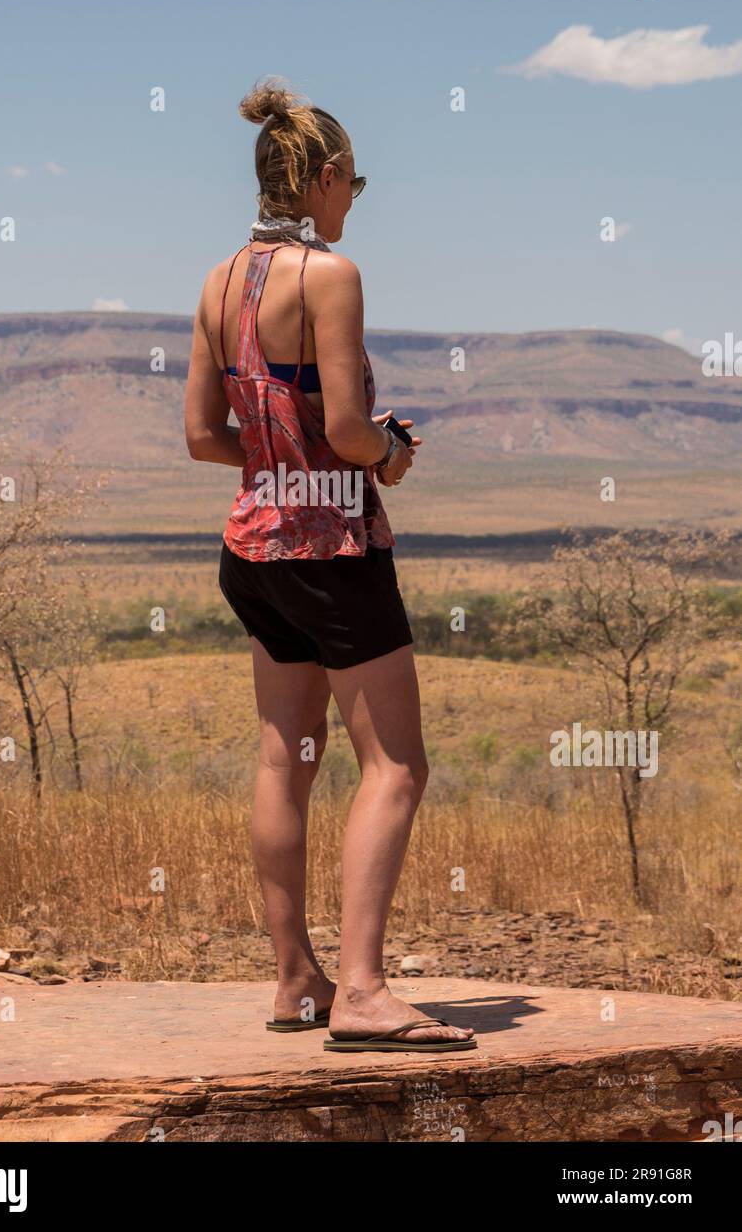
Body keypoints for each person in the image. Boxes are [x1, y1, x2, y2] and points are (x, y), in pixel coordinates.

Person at [184, 80, 476, 1053]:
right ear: (318, 179)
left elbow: (202, 436)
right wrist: (385, 452)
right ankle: (358, 991)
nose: (355, 196)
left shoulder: (218, 283)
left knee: (285, 757)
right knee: (394, 765)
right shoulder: (330, 275)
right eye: (352, 178)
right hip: (332, 546)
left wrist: (281, 457)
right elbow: (348, 429)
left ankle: (292, 980)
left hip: (252, 549)